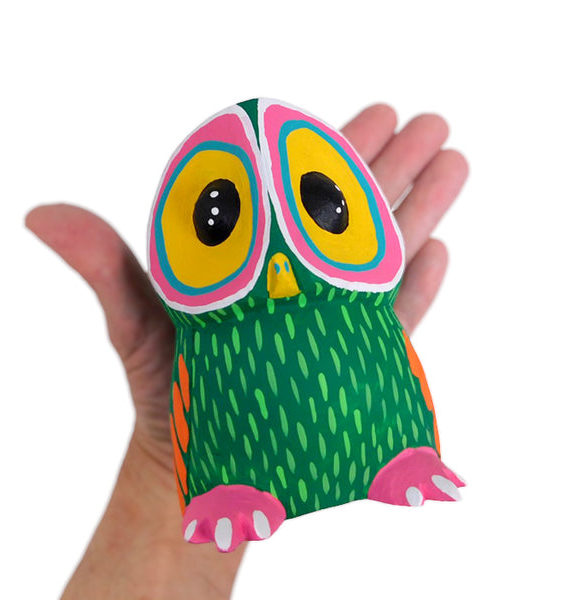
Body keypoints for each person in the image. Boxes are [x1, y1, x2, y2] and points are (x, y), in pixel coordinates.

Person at [26, 104, 468, 600]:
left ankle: (403, 458)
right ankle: (229, 491)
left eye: (326, 205)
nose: (280, 268)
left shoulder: (370, 318)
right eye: (216, 221)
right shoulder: (203, 345)